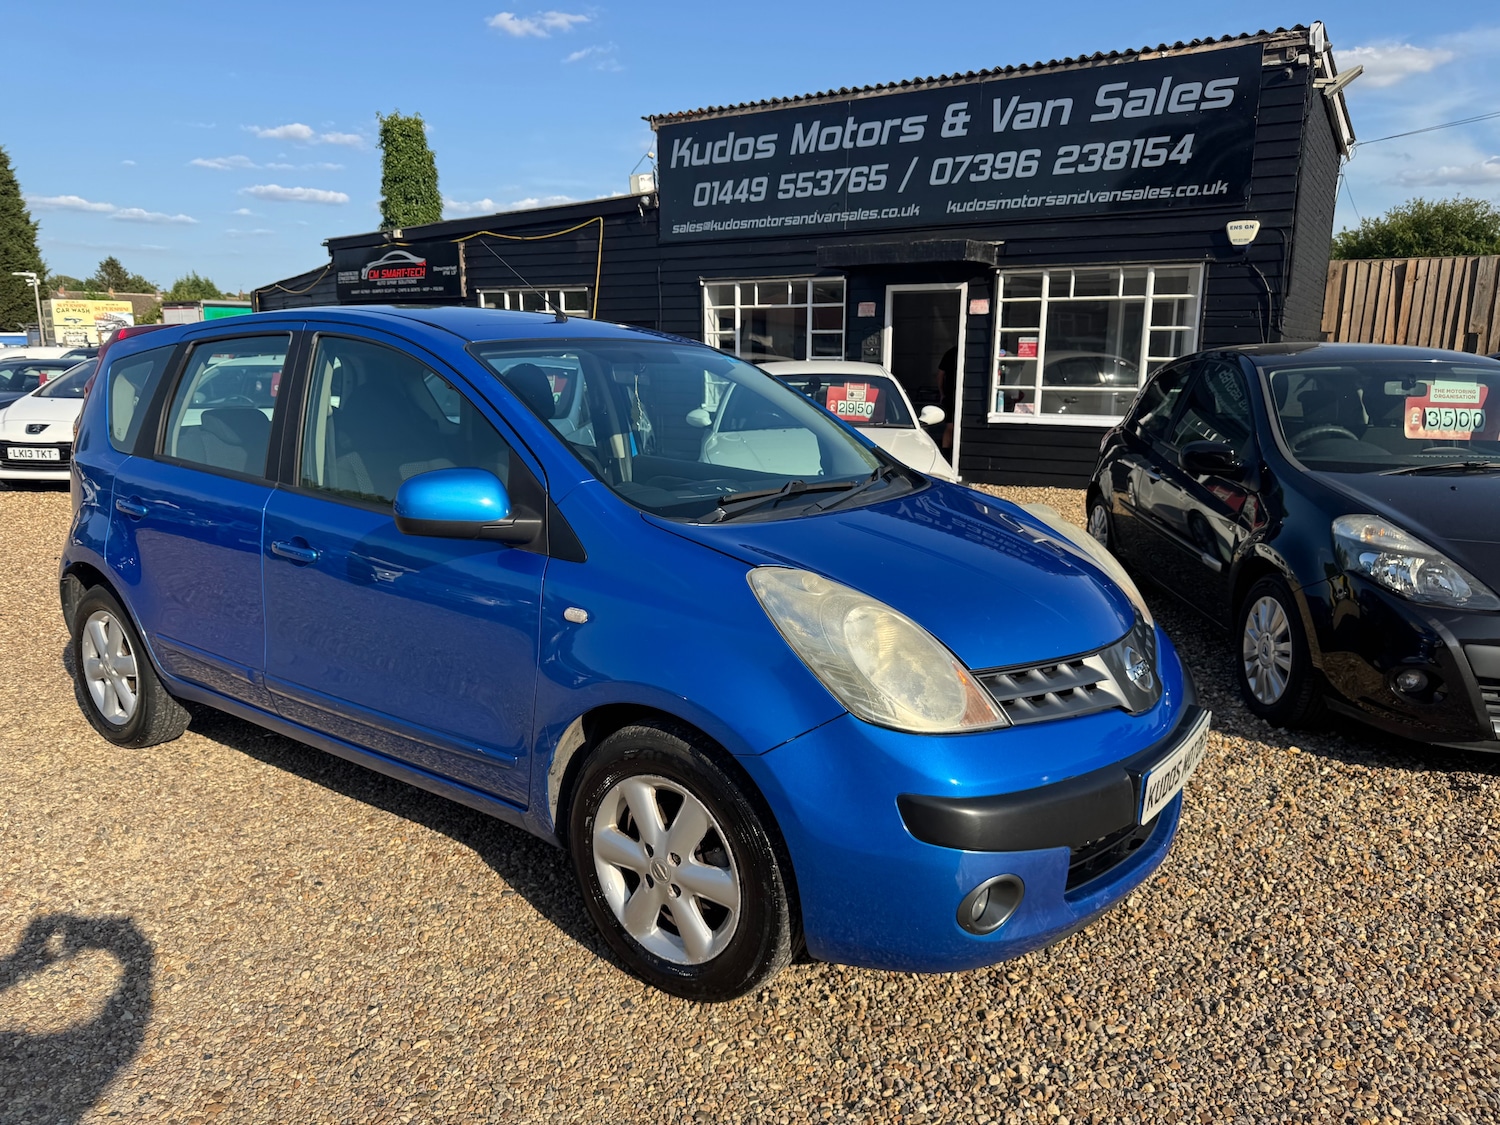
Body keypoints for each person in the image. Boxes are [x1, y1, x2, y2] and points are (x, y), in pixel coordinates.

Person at [936, 345, 959, 458]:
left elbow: (940, 375)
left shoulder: (950, 353)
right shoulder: (951, 353)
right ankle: (947, 454)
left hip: (949, 394)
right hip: (952, 395)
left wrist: (942, 393)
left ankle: (946, 454)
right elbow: (940, 375)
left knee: (950, 426)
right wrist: (942, 394)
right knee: (951, 426)